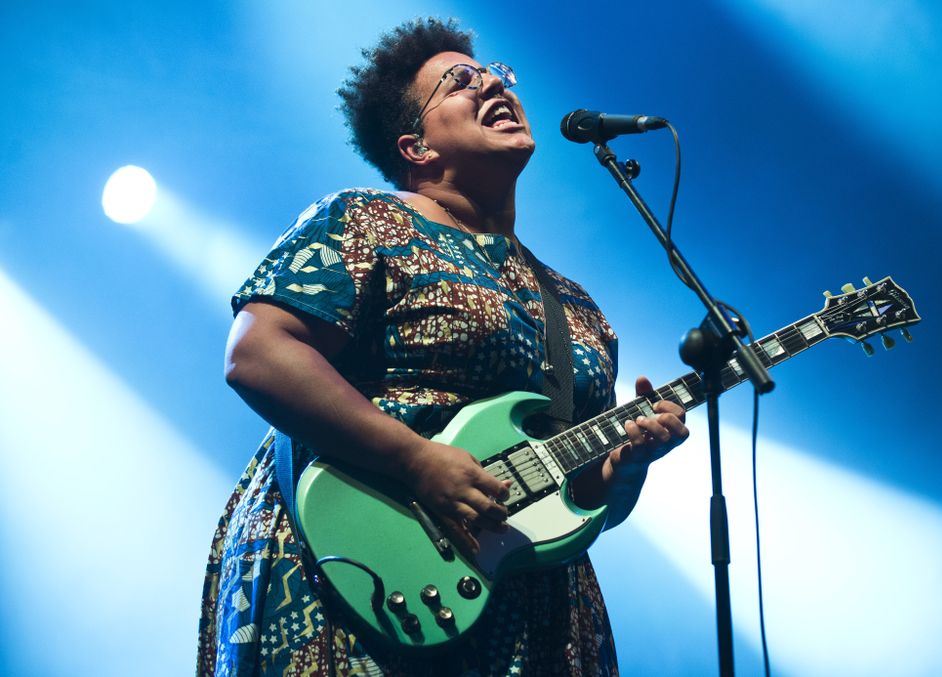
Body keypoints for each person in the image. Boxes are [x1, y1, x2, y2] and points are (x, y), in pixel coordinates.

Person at [196, 17, 688, 676]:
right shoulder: (368, 220)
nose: (491, 83)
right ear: (417, 147)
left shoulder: (577, 307)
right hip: (360, 572)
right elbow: (257, 353)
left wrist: (624, 470)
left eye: (496, 76)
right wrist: (417, 459)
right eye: (461, 81)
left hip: (529, 613)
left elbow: (574, 499)